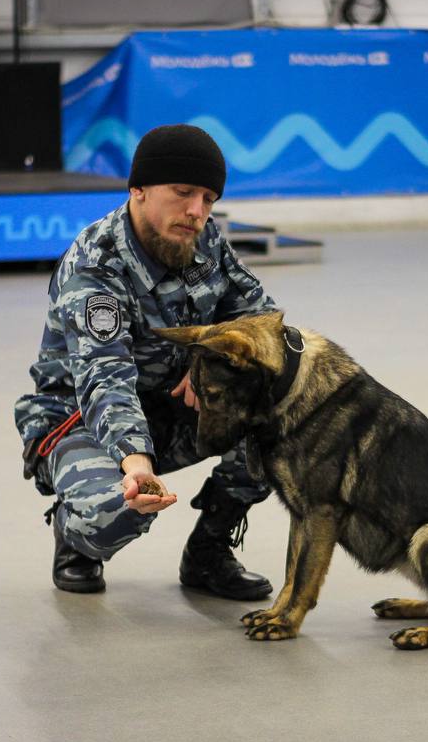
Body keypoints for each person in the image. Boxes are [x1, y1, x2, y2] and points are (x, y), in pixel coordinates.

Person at [15, 124, 276, 598]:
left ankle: (208, 551)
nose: (197, 211)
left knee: (277, 416)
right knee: (121, 511)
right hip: (80, 420)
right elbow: (105, 378)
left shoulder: (203, 240)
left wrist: (211, 360)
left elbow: (261, 321)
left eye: (208, 199)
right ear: (138, 189)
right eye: (183, 192)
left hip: (168, 405)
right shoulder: (95, 266)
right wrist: (136, 464)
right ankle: (75, 534)